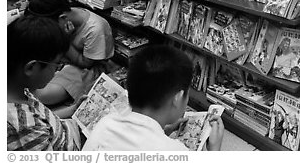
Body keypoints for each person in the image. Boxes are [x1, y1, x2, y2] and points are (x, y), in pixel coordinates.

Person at [83, 45, 224, 151]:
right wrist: (214, 150)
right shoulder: (175, 152)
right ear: (177, 98)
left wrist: (162, 132)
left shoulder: (105, 124)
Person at [7, 15, 84, 150]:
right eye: (56, 65)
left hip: (64, 130)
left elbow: (45, 120)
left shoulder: (19, 88)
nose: (57, 72)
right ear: (31, 68)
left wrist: (73, 109)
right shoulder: (24, 128)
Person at [26, 0, 114, 106]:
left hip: (86, 67)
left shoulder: (95, 29)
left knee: (41, 96)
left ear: (62, 18)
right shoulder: (64, 16)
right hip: (62, 57)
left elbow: (86, 63)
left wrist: (65, 40)